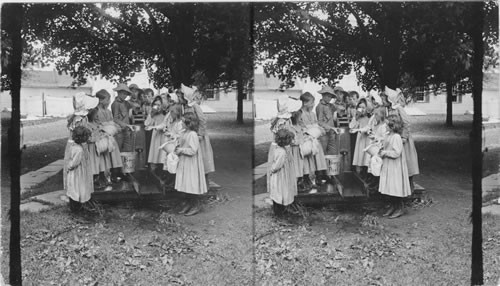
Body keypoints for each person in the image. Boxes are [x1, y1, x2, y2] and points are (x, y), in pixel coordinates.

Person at [176, 84, 216, 188]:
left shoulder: (194, 106)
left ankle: (205, 186)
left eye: (180, 97)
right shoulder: (184, 107)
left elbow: (202, 120)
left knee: (202, 160)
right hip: (190, 136)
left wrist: (200, 134)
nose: (178, 99)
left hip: (198, 137)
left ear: (185, 97)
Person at [63, 92, 98, 210]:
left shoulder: (79, 117)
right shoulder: (80, 120)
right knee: (79, 172)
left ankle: (81, 196)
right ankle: (79, 197)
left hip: (76, 145)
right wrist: (90, 139)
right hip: (79, 146)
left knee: (78, 173)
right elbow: (81, 135)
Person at [383, 87, 420, 191]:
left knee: (407, 161)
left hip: (403, 139)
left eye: (385, 99)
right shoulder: (390, 109)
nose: (383, 101)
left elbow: (407, 123)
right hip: (395, 138)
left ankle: (409, 186)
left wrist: (403, 137)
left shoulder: (399, 108)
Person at [378, 114, 412, 218]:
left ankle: (399, 208)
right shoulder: (388, 135)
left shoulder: (396, 137)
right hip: (389, 165)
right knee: (390, 188)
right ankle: (393, 206)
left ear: (392, 126)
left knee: (395, 187)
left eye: (387, 125)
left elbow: (397, 153)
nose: (385, 126)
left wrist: (385, 153)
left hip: (395, 167)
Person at [175, 112, 207, 216]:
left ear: (189, 123)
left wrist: (181, 150)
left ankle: (196, 205)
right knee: (186, 184)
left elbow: (193, 150)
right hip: (185, 162)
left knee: (191, 184)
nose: (181, 123)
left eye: (183, 121)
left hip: (191, 163)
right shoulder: (184, 132)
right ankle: (189, 204)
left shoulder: (193, 134)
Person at [93, 89, 124, 183]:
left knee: (114, 156)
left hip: (111, 136)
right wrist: (107, 126)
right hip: (102, 137)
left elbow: (112, 121)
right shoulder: (96, 111)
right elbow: (97, 124)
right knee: (104, 158)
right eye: (107, 99)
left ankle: (114, 174)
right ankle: (103, 176)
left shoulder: (108, 111)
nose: (109, 102)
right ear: (100, 100)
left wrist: (114, 126)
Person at [298, 92, 327, 188]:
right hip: (306, 139)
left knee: (318, 156)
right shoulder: (300, 114)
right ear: (305, 103)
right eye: (311, 102)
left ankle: (318, 177)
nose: (313, 104)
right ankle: (305, 179)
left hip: (314, 138)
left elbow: (316, 124)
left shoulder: (313, 114)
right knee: (307, 160)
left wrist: (318, 129)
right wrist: (309, 130)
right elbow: (300, 128)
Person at [269, 128, 297, 216]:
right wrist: (272, 169)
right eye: (290, 139)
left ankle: (282, 210)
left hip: (281, 176)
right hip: (280, 177)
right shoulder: (281, 152)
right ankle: (278, 213)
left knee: (280, 192)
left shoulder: (281, 149)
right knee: (280, 192)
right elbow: (277, 165)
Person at [65, 125, 93, 212]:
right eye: (87, 137)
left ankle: (77, 207)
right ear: (82, 138)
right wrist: (69, 166)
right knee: (77, 189)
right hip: (77, 173)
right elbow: (74, 163)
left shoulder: (74, 146)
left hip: (76, 173)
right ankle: (75, 209)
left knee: (74, 189)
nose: (88, 138)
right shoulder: (79, 150)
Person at [145, 96, 168, 174]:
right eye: (155, 104)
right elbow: (147, 124)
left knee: (162, 154)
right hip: (155, 137)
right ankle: (153, 171)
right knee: (155, 154)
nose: (157, 107)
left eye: (159, 105)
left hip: (163, 136)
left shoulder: (166, 115)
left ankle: (162, 172)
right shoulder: (153, 115)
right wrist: (151, 114)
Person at [349, 98, 371, 178]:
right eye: (360, 107)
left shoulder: (370, 118)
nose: (361, 109)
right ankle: (360, 174)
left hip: (368, 139)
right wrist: (355, 117)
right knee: (360, 157)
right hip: (361, 139)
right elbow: (351, 126)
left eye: (363, 107)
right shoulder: (359, 118)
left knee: (367, 157)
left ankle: (367, 175)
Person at [111, 83, 135, 152]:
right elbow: (115, 119)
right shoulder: (115, 104)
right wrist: (125, 125)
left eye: (126, 94)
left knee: (127, 149)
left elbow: (135, 107)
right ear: (118, 93)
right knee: (119, 150)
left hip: (127, 130)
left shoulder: (126, 103)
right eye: (123, 94)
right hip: (120, 130)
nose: (125, 96)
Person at [316, 86, 340, 155]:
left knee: (333, 152)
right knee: (323, 153)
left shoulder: (331, 106)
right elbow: (319, 121)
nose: (329, 98)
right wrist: (330, 128)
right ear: (323, 95)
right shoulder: (319, 107)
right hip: (324, 133)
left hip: (332, 133)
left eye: (331, 97)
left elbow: (340, 109)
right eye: (328, 96)